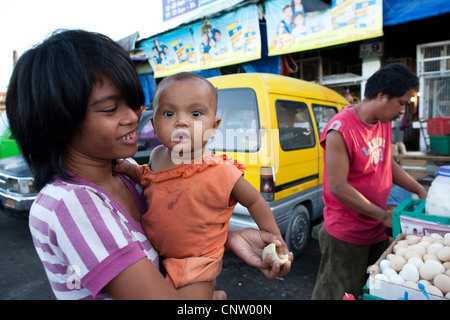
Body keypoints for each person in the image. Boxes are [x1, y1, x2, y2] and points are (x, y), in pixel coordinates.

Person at [6, 29, 292, 300]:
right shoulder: (70, 203)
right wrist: (206, 290)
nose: (132, 117)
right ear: (58, 121)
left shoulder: (126, 171)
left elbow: (174, 224)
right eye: (110, 108)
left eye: (133, 104)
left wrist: (225, 239)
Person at [115, 72, 291, 289]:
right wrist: (125, 168)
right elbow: (146, 176)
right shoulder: (157, 156)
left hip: (198, 264)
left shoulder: (221, 170)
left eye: (195, 113)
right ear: (154, 123)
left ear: (214, 126)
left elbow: (254, 201)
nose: (181, 122)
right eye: (168, 113)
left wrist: (273, 235)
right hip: (157, 256)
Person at [311, 63, 428, 300]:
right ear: (382, 96)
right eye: (402, 103)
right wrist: (384, 215)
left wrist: (418, 188)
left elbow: (386, 162)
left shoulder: (383, 121)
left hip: (376, 229)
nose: (403, 111)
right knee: (339, 293)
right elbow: (338, 186)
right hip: (347, 234)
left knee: (370, 289)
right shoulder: (340, 130)